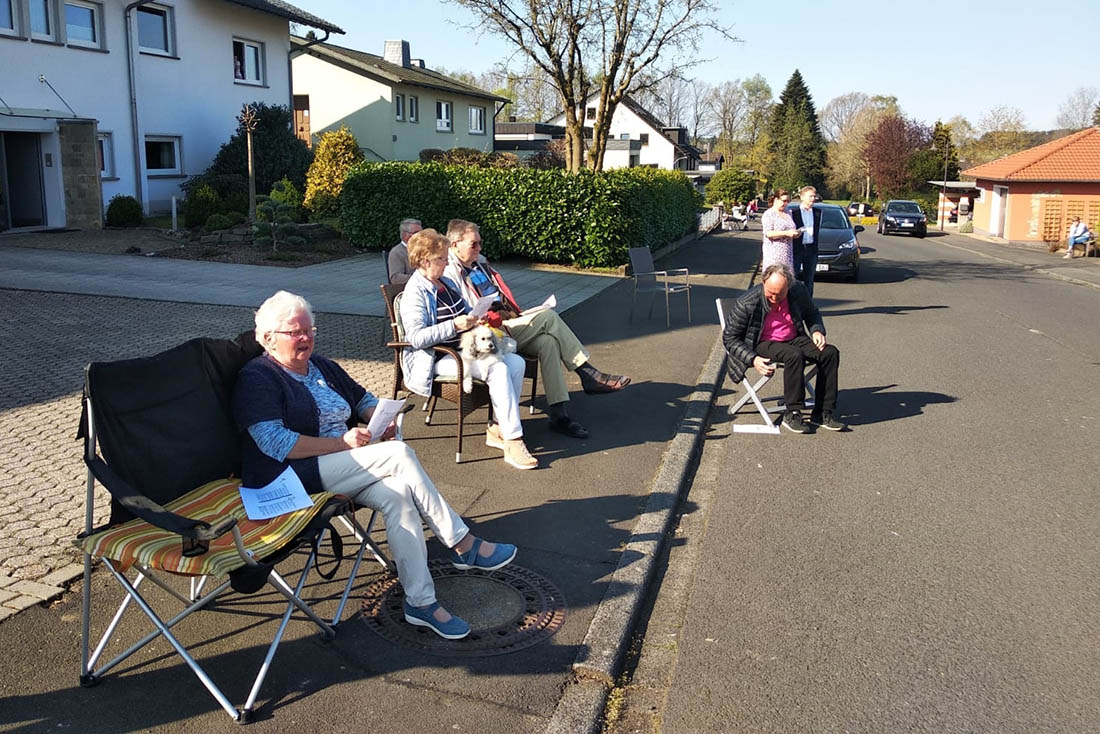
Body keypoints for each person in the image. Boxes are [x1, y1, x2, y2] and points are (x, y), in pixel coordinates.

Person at [232, 290, 517, 640]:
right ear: (267, 338)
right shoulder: (258, 376)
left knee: (398, 495)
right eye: (295, 332)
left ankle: (421, 603)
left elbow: (364, 399)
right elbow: (275, 443)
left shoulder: (322, 366)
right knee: (397, 455)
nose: (305, 338)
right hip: (290, 477)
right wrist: (341, 442)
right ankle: (461, 542)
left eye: (309, 330)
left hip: (344, 464)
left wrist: (379, 417)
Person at [442, 219, 630, 440]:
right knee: (549, 317)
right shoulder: (450, 273)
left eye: (480, 243)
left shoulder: (478, 266)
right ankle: (588, 373)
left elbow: (498, 298)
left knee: (548, 342)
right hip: (483, 333)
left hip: (504, 326)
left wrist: (507, 311)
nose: (479, 248)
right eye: (474, 244)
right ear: (455, 244)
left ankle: (559, 415)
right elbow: (464, 313)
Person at [399, 228, 539, 469]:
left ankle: (497, 428)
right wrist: (453, 325)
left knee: (517, 362)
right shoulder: (415, 292)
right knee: (498, 369)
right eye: (441, 259)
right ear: (424, 261)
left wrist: (475, 318)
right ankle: (513, 440)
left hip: (464, 348)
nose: (446, 263)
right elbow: (416, 338)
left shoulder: (444, 283)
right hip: (438, 356)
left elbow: (464, 310)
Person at [722, 263, 845, 434]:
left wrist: (817, 330)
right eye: (770, 293)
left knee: (830, 353)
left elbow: (812, 313)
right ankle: (792, 412)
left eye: (780, 295)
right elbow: (729, 338)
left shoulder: (798, 290)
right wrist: (753, 359)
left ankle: (823, 412)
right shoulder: (746, 302)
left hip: (793, 337)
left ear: (789, 287)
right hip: (761, 342)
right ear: (763, 283)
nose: (774, 298)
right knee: (793, 355)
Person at [790, 185, 823, 298]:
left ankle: (808, 306)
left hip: (811, 250)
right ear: (802, 197)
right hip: (797, 249)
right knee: (793, 279)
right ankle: (793, 305)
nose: (813, 199)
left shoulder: (818, 212)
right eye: (810, 196)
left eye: (814, 196)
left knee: (809, 280)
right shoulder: (793, 213)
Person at [760, 190, 798, 271]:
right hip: (774, 254)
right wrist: (786, 233)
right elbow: (768, 233)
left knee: (787, 280)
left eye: (788, 201)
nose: (786, 204)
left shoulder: (788, 212)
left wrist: (795, 233)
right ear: (776, 200)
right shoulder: (769, 214)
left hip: (787, 254)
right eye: (784, 201)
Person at [387, 218, 423, 284]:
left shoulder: (425, 248)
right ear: (405, 235)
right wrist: (422, 278)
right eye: (416, 233)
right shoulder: (397, 252)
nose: (421, 236)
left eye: (422, 233)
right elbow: (396, 278)